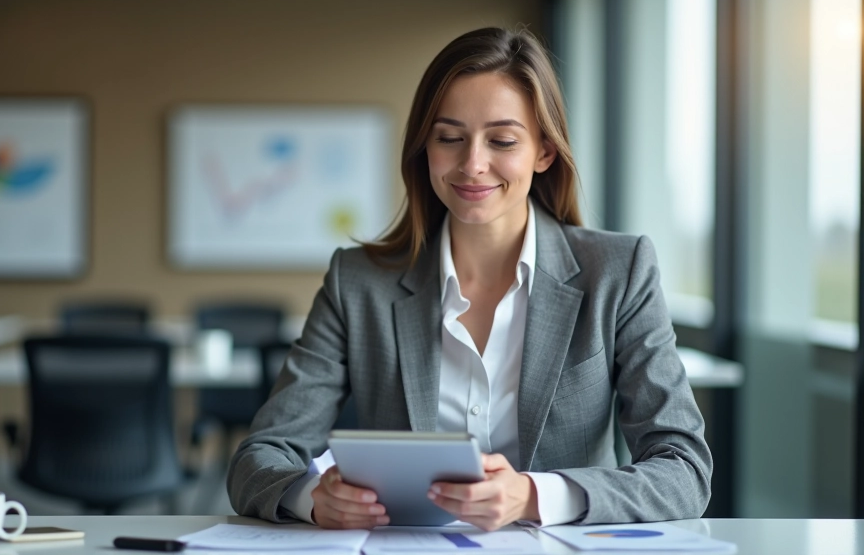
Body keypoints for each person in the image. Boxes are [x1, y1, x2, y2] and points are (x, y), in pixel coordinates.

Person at [227, 26, 712, 531]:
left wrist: (532, 495)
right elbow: (258, 458)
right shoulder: (358, 282)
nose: (472, 165)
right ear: (425, 148)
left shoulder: (618, 271)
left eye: (502, 140)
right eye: (450, 138)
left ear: (544, 151)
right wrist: (311, 496)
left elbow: (683, 469)